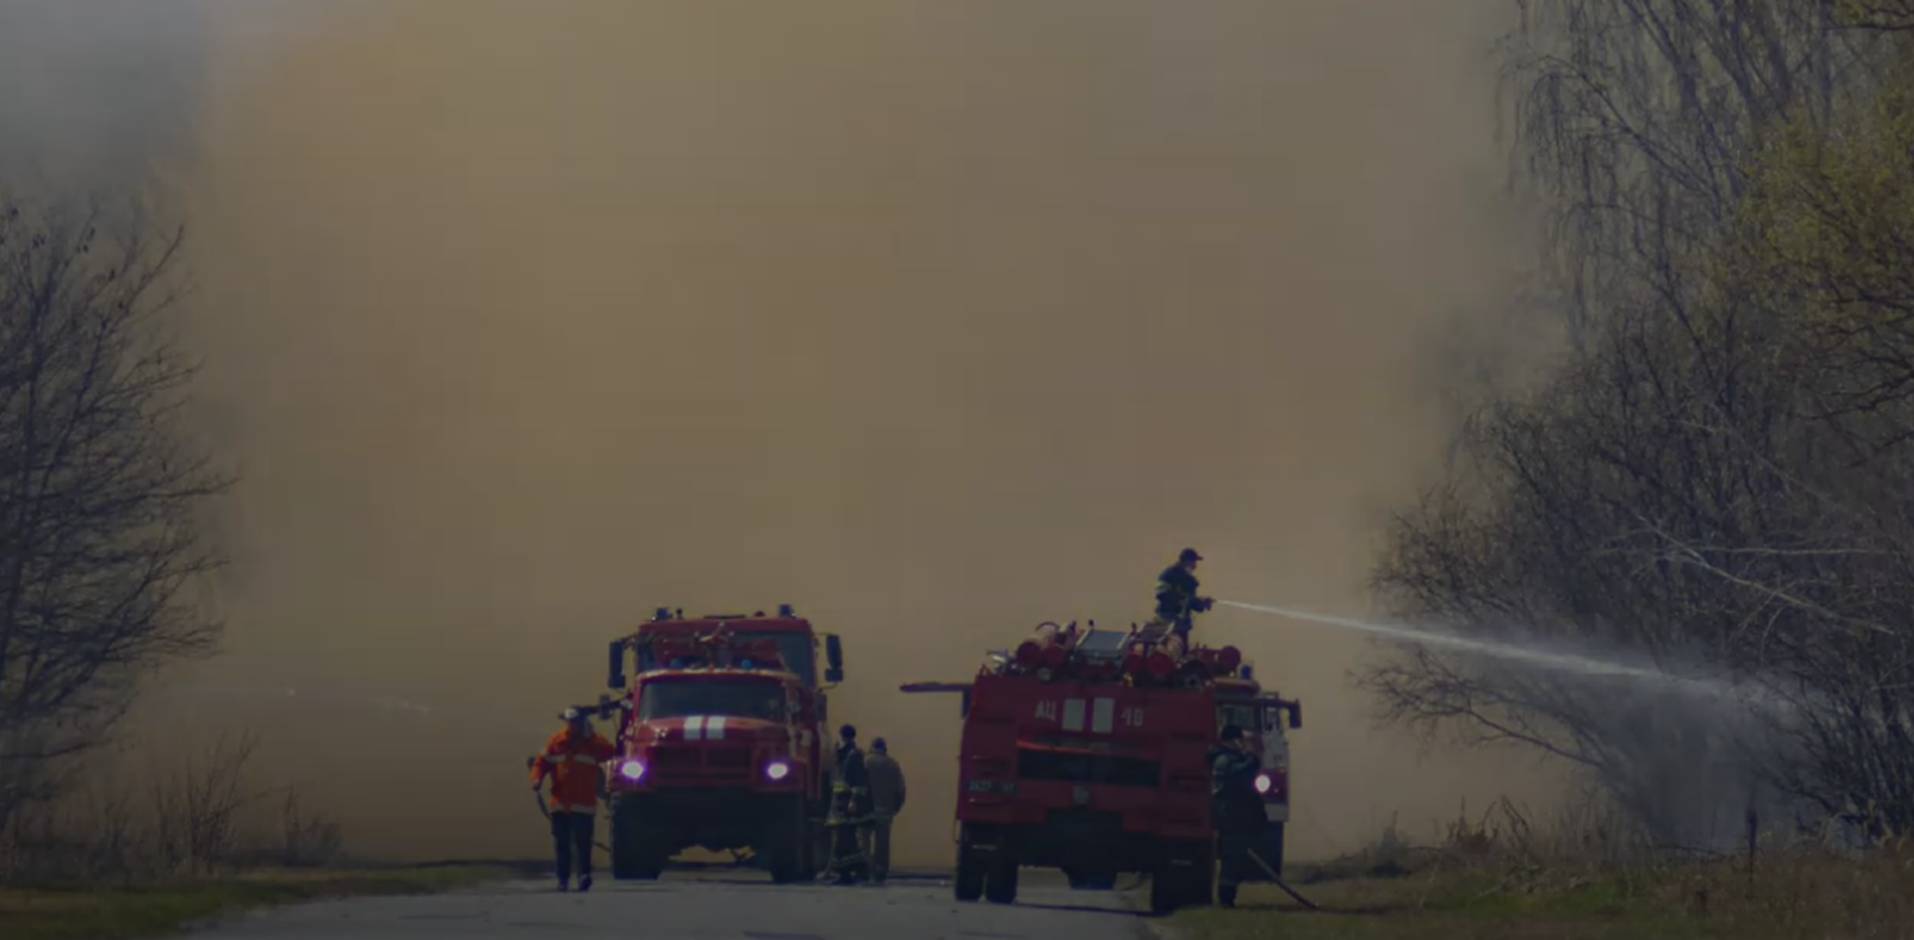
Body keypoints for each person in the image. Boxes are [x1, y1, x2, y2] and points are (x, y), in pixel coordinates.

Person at [530, 707, 617, 892]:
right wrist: (536, 779)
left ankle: (584, 875)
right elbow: (541, 763)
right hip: (560, 804)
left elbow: (611, 752)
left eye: (576, 722)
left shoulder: (593, 743)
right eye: (570, 722)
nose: (573, 726)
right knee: (562, 843)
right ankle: (563, 879)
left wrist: (592, 737)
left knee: (583, 843)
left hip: (584, 805)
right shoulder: (556, 741)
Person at [1209, 724, 1267, 908]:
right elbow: (1239, 776)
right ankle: (1226, 898)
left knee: (1235, 859)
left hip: (1235, 818)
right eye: (1241, 739)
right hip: (1230, 818)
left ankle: (1228, 897)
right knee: (1231, 860)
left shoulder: (1228, 758)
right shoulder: (1223, 760)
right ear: (1232, 739)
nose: (1243, 743)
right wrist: (1252, 757)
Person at [825, 724, 871, 885]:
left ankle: (850, 873)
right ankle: (857, 872)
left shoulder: (853, 755)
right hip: (841, 804)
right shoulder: (846, 754)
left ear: (843, 736)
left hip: (846, 805)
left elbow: (859, 783)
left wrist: (853, 801)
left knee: (844, 841)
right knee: (847, 841)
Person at [863, 737, 907, 884]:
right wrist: (896, 807)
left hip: (866, 809)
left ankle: (866, 869)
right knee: (882, 843)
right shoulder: (893, 764)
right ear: (885, 748)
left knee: (865, 840)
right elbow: (901, 789)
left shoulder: (865, 762)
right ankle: (880, 871)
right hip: (885, 810)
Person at [1155, 547, 1214, 644]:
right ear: (1186, 561)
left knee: (1181, 652)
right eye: (1193, 562)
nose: (1195, 566)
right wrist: (1186, 600)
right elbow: (1161, 594)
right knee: (1165, 652)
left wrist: (1202, 603)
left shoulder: (1190, 581)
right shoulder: (1168, 574)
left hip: (1182, 626)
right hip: (1166, 622)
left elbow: (1191, 601)